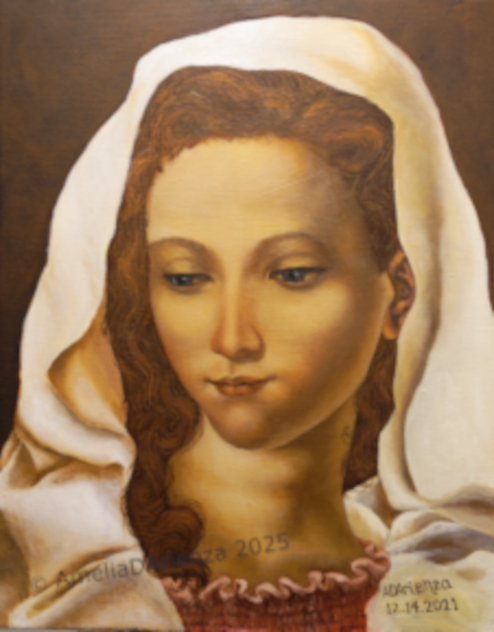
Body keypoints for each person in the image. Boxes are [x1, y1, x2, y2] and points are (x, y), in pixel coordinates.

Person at [1, 15, 494, 632]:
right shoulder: (55, 584)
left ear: (399, 293)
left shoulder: (469, 585)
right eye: (185, 277)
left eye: (292, 273)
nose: (232, 338)